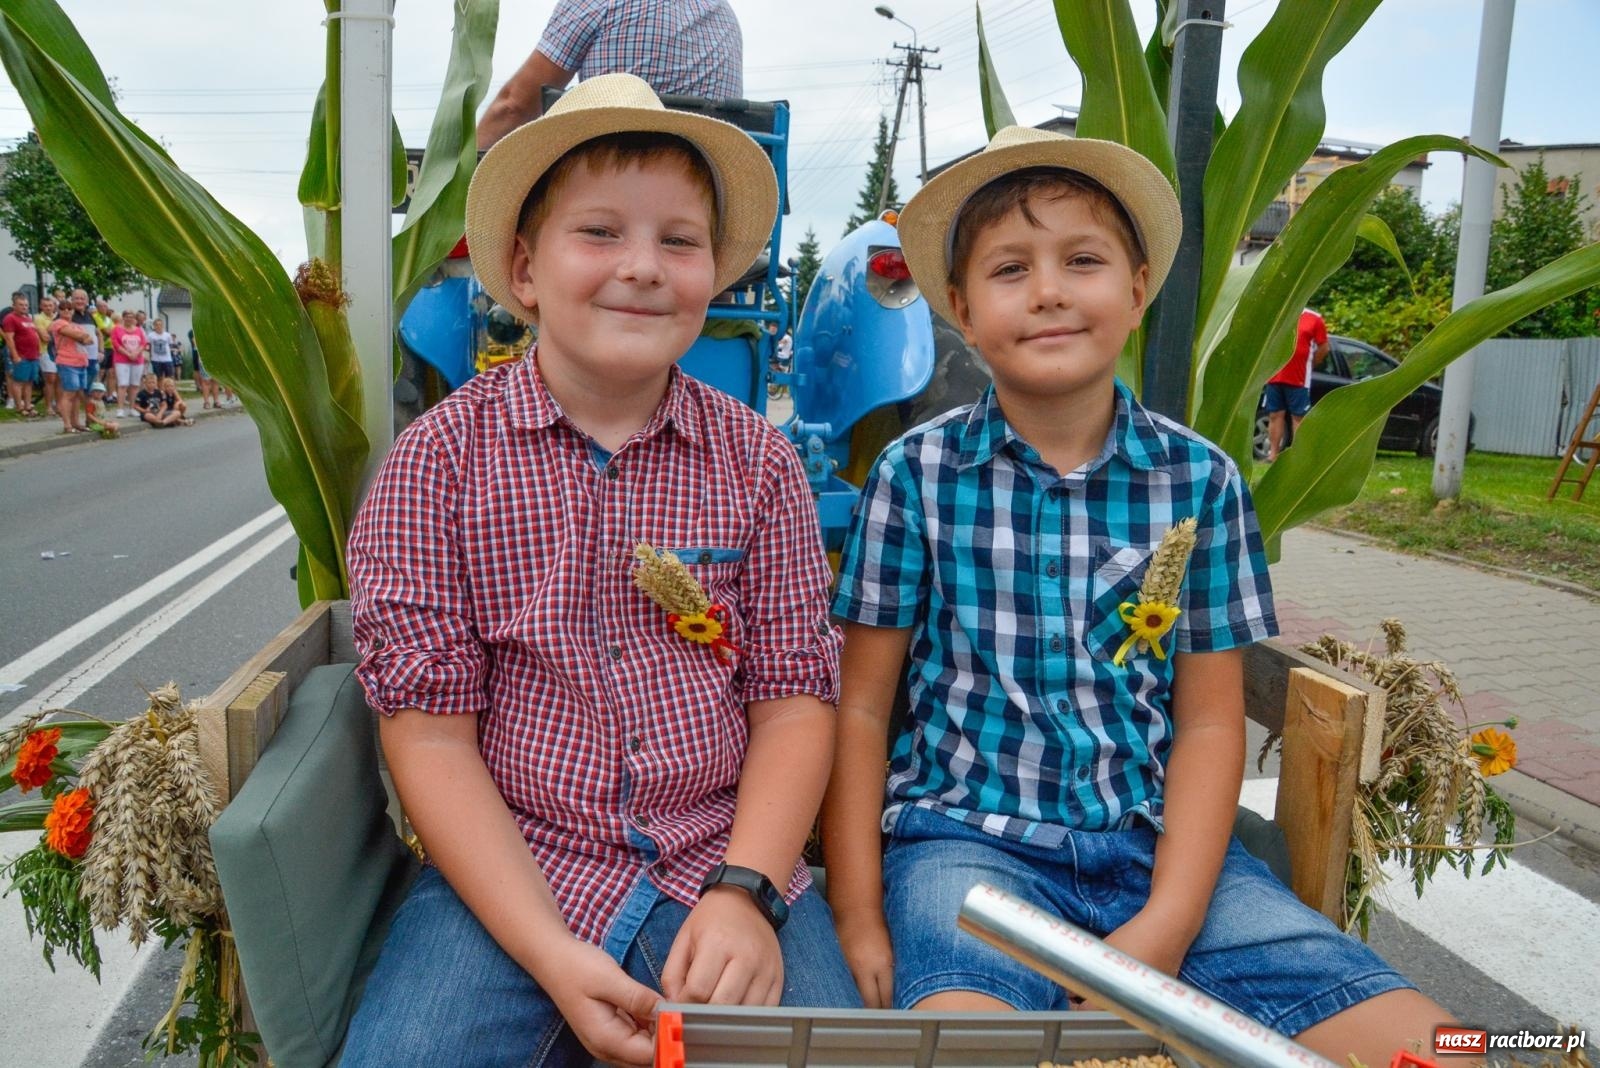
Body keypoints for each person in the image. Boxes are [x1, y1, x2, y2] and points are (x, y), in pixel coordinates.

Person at [819, 127, 1450, 1068]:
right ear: (961, 310)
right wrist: (858, 909)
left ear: (1138, 288)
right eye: (1009, 269)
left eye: (1083, 261)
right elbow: (862, 707)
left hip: (1161, 854)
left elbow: (1209, 723)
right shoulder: (915, 476)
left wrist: (1169, 921)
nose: (1049, 290)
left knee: (1447, 1047)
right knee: (968, 1045)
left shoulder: (1201, 481)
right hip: (966, 854)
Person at [340, 74, 860, 1068]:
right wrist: (548, 952)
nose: (643, 267)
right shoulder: (437, 464)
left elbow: (793, 700)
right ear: (524, 269)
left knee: (832, 1058)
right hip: (510, 870)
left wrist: (748, 892)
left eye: (679, 240)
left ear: (714, 274)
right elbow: (431, 738)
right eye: (600, 233)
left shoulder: (759, 464)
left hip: (719, 856)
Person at [476, 0, 743, 150]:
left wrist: (457, 179)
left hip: (610, 178)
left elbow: (514, 106)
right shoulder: (724, 14)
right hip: (711, 193)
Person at [1264, 307, 1329, 461]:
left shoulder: (1314, 318)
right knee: (1275, 414)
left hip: (1299, 378)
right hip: (1274, 376)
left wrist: (1310, 364)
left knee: (1299, 416)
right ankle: (1273, 454)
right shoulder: (1279, 313)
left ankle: (1297, 456)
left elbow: (1324, 347)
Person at [48, 301, 94, 434]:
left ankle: (76, 422)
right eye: (63, 309)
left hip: (81, 362)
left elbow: (90, 340)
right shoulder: (58, 323)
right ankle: (67, 425)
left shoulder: (76, 325)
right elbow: (77, 335)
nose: (67, 311)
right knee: (69, 393)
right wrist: (81, 336)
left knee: (78, 394)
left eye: (69, 308)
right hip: (67, 361)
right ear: (59, 311)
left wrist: (82, 336)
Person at [3, 292, 42, 417]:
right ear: (14, 305)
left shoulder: (28, 318)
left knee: (29, 382)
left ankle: (28, 405)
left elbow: (34, 335)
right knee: (18, 382)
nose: (24, 307)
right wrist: (15, 355)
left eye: (26, 305)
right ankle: (19, 407)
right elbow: (9, 338)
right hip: (22, 355)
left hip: (33, 355)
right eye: (21, 305)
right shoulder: (10, 318)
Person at [111, 309, 147, 416]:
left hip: (137, 360)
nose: (129, 319)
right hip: (122, 360)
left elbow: (143, 343)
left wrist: (136, 353)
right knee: (123, 384)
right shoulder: (117, 329)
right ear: (123, 317)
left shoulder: (139, 330)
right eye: (127, 316)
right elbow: (116, 343)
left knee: (135, 384)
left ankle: (132, 408)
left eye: (131, 317)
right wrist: (128, 354)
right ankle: (120, 409)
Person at [34, 295, 59, 417]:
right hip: (46, 351)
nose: (48, 308)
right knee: (50, 379)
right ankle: (48, 406)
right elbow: (45, 337)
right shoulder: (38, 318)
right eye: (45, 306)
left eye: (50, 305)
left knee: (59, 379)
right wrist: (55, 325)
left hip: (60, 352)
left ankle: (58, 405)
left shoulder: (58, 317)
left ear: (54, 306)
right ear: (41, 306)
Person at [147, 317, 176, 382]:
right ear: (154, 326)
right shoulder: (150, 335)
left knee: (169, 377)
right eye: (157, 325)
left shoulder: (167, 335)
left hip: (167, 359)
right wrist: (149, 356)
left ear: (163, 326)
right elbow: (149, 346)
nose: (158, 326)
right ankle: (160, 388)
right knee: (158, 377)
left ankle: (169, 388)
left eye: (160, 325)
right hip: (156, 359)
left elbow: (170, 345)